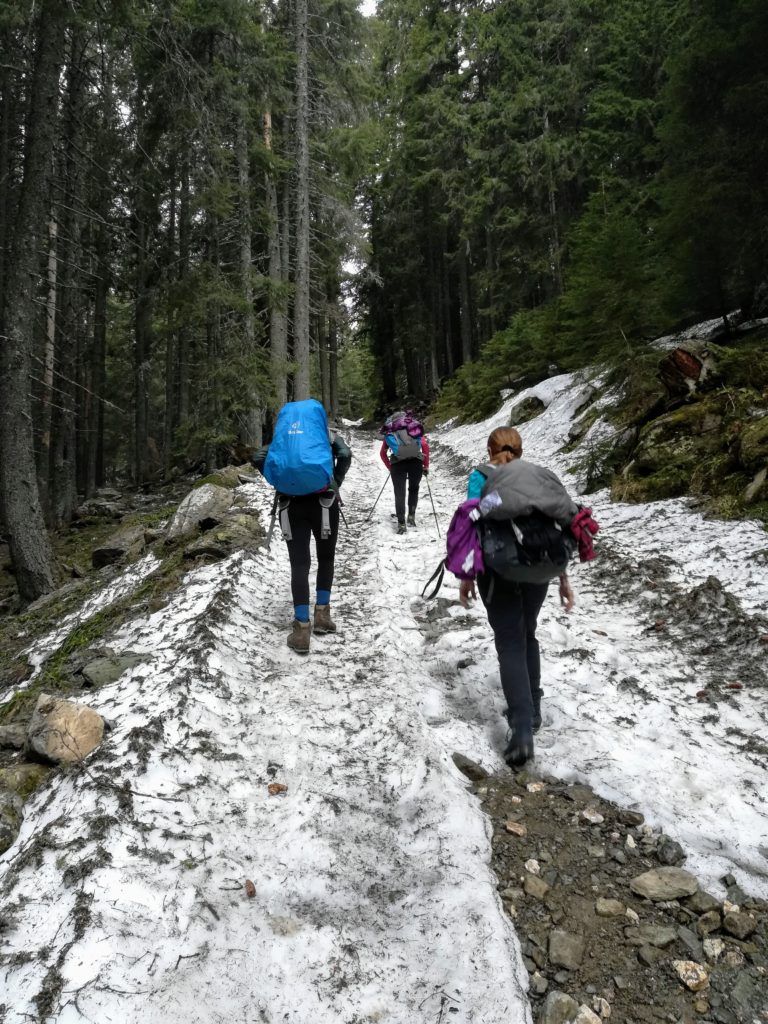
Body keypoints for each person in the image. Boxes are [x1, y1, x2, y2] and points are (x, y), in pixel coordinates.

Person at [459, 426, 575, 768]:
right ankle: (535, 707)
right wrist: (563, 578)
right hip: (542, 568)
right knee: (527, 634)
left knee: (509, 641)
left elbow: (471, 524)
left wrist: (467, 575)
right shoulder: (538, 478)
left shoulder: (482, 476)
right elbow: (560, 526)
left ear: (489, 448)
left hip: (500, 569)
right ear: (521, 450)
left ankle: (521, 727)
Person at [252, 420, 352, 654]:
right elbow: (345, 454)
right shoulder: (326, 434)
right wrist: (335, 481)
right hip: (325, 503)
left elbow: (258, 457)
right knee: (326, 558)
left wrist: (277, 481)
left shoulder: (284, 439)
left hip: (291, 505)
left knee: (299, 564)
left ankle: (301, 629)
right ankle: (322, 615)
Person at [379, 417, 430, 534]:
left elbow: (382, 453)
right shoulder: (414, 429)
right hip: (416, 462)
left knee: (399, 493)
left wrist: (390, 467)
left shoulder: (391, 433)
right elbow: (425, 446)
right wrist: (425, 465)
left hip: (397, 464)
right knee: (414, 489)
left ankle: (401, 523)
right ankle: (411, 516)